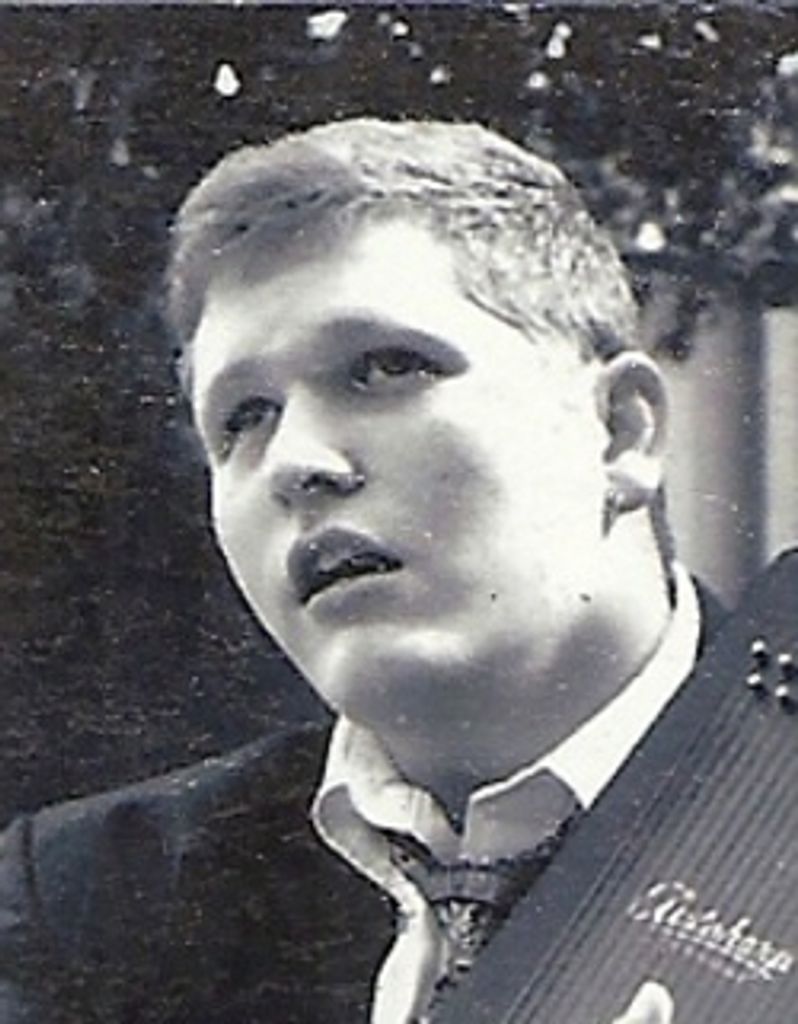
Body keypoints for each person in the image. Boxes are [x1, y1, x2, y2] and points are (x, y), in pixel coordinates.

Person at [0, 119, 716, 1024]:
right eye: (243, 418)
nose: (296, 461)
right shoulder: (87, 906)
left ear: (620, 431)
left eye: (385, 368)